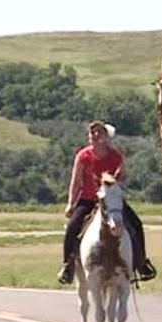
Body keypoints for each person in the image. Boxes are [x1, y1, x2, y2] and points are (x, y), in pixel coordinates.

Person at [57, 120, 156, 284]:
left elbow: (123, 177)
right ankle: (68, 266)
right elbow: (76, 182)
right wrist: (70, 203)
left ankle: (141, 263)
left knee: (136, 224)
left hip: (111, 201)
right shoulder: (83, 156)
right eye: (92, 133)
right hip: (88, 199)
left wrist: (119, 178)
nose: (96, 136)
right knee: (73, 228)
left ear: (106, 136)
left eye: (99, 132)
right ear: (89, 136)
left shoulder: (116, 156)